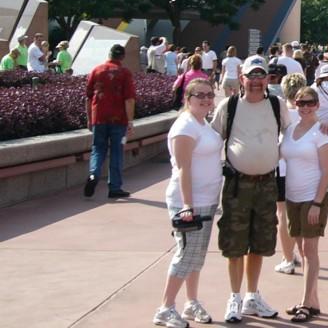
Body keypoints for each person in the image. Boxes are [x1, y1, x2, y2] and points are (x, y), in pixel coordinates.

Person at [210, 56, 291, 322]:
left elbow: (293, 134)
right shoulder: (229, 106)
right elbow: (210, 140)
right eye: (251, 76)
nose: (256, 82)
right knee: (235, 245)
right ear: (241, 78)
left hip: (267, 184)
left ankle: (252, 296)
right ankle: (234, 297)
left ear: (268, 79)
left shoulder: (277, 105)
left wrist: (322, 127)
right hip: (237, 186)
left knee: (260, 243)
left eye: (261, 76)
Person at [152, 78, 221, 328]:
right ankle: (166, 307)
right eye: (199, 95)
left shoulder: (203, 123)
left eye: (209, 95)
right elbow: (183, 168)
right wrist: (187, 205)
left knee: (197, 255)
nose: (205, 99)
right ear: (187, 99)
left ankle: (191, 302)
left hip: (208, 199)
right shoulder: (185, 126)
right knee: (185, 254)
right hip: (188, 200)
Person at [280, 87, 328, 323]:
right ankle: (313, 301)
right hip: (292, 198)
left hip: (313, 198)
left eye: (310, 102)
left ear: (317, 104)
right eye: (301, 102)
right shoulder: (290, 129)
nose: (305, 107)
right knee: (302, 250)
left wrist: (317, 203)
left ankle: (305, 303)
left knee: (310, 251)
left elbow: (327, 172)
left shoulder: (322, 133)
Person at [83, 44, 136, 199]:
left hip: (98, 117)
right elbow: (129, 99)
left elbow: (88, 97)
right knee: (117, 151)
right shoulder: (124, 73)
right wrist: (130, 121)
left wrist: (89, 119)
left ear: (109, 54)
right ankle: (115, 187)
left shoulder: (96, 70)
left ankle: (93, 174)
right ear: (122, 57)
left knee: (98, 149)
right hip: (119, 119)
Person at [275, 73, 307, 275]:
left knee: (283, 214)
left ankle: (288, 258)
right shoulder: (308, 114)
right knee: (301, 215)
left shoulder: (279, 112)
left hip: (282, 168)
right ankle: (304, 256)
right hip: (304, 170)